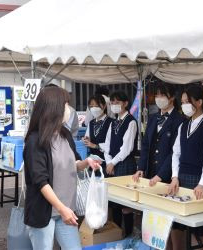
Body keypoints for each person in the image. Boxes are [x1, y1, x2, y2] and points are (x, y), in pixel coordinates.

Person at [23, 86, 100, 250]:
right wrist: (61, 209)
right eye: (65, 104)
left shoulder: (64, 134)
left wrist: (86, 162)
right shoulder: (35, 140)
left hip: (66, 210)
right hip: (46, 213)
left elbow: (73, 164)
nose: (68, 109)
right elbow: (40, 181)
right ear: (54, 107)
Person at [168, 84, 203, 250]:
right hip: (182, 180)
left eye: (187, 101)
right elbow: (176, 153)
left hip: (202, 183)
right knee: (188, 227)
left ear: (199, 102)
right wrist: (175, 176)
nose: (184, 105)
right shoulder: (183, 125)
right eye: (182, 102)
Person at [133, 83, 184, 185]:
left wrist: (161, 175)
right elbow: (145, 145)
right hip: (149, 173)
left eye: (163, 95)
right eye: (157, 96)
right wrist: (141, 168)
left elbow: (175, 152)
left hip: (168, 176)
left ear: (172, 97)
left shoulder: (180, 120)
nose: (159, 98)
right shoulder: (152, 118)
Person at [104, 91, 138, 237]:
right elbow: (107, 144)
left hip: (125, 164)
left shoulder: (131, 121)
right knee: (114, 202)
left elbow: (127, 148)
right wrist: (108, 162)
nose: (114, 105)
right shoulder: (113, 122)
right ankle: (116, 233)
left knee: (126, 203)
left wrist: (113, 162)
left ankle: (128, 235)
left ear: (125, 103)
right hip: (112, 164)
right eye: (112, 103)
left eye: (117, 102)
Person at [83, 95, 114, 175]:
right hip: (93, 163)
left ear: (104, 106)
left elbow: (112, 144)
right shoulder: (91, 123)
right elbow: (88, 138)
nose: (93, 108)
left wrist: (95, 145)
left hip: (107, 162)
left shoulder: (111, 122)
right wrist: (86, 140)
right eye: (91, 106)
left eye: (96, 106)